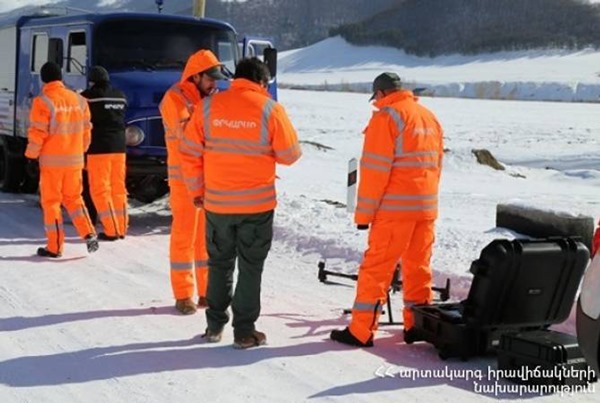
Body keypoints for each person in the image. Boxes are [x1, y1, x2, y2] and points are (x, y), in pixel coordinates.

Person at [179, 57, 302, 348]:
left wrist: (197, 190)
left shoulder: (208, 107)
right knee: (250, 267)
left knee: (219, 264)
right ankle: (244, 332)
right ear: (262, 82)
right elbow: (290, 155)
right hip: (256, 207)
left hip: (218, 204)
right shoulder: (271, 109)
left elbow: (189, 152)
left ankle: (213, 327)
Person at [330, 72, 444, 347]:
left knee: (376, 269)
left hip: (395, 211)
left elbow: (375, 173)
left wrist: (364, 215)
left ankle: (361, 331)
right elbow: (436, 164)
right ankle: (417, 327)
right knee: (418, 268)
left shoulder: (387, 118)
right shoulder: (428, 116)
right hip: (426, 208)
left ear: (381, 94)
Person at [159, 49, 227, 315]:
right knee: (184, 236)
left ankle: (207, 292)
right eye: (210, 79)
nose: (215, 84)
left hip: (209, 179)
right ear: (195, 76)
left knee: (207, 239)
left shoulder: (208, 99)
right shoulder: (173, 99)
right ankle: (183, 294)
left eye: (217, 80)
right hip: (184, 181)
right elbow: (189, 135)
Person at [25, 62, 99, 258]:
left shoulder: (43, 101)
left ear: (43, 79)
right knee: (75, 199)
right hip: (74, 160)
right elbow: (86, 132)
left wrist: (31, 156)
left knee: (51, 202)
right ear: (60, 77)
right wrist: (79, 151)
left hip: (51, 163)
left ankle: (55, 247)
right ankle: (89, 233)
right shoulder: (80, 100)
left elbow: (37, 132)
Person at [81, 66, 128, 241]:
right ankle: (122, 227)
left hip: (98, 148)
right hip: (120, 147)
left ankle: (111, 230)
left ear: (92, 80)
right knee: (118, 188)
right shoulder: (120, 95)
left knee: (100, 189)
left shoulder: (87, 97)